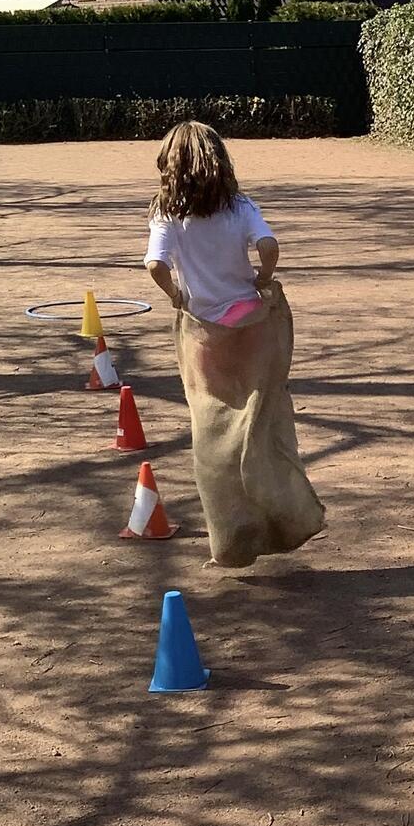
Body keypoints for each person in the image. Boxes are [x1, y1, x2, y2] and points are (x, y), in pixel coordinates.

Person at [144, 122, 325, 567]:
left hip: (206, 333)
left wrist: (175, 296)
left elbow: (154, 264)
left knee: (212, 430)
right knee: (263, 418)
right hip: (252, 325)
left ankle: (230, 537)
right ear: (220, 162)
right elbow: (268, 244)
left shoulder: (168, 214)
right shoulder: (239, 205)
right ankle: (290, 514)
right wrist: (262, 276)